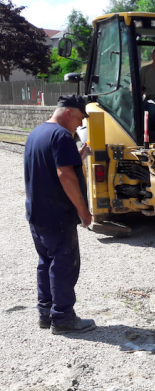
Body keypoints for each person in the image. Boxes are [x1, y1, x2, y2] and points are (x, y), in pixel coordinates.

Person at [24, 94, 96, 335]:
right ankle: (63, 318)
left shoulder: (37, 133)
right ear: (68, 113)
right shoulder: (62, 135)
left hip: (37, 213)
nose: (80, 124)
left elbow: (50, 165)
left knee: (46, 262)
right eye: (79, 118)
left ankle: (46, 313)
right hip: (58, 215)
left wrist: (80, 156)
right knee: (64, 265)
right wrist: (83, 210)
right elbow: (65, 175)